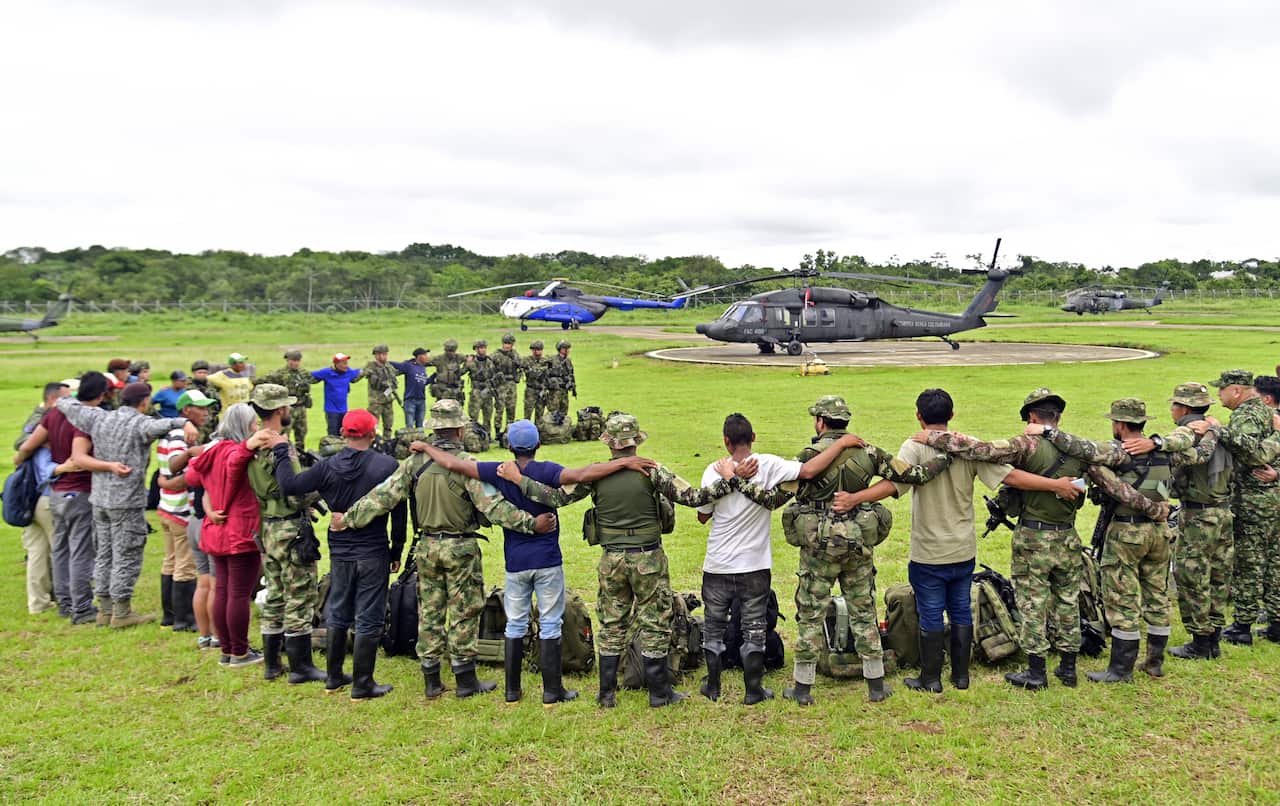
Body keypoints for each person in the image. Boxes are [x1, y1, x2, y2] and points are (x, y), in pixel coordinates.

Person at [916, 389, 1176, 689]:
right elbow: (1113, 485)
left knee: (1031, 604)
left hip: (1033, 538)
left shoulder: (1025, 444)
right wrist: (1156, 508)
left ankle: (1036, 672)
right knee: (1067, 601)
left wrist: (933, 438)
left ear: (1032, 416)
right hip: (1067, 536)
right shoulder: (1079, 450)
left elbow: (982, 450)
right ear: (1058, 417)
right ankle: (1068, 668)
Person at [505, 412, 743, 708]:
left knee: (611, 623)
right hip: (648, 557)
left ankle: (607, 693)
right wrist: (732, 482)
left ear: (609, 444)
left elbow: (553, 497)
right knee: (655, 623)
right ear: (636, 442)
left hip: (611, 560)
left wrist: (519, 479)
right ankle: (659, 692)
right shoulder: (651, 471)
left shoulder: (597, 474)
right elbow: (694, 497)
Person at [735, 396, 951, 705]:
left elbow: (772, 500)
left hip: (817, 547)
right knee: (864, 611)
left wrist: (738, 482)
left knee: (810, 613)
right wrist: (946, 456)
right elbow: (914, 475)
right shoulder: (869, 453)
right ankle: (876, 685)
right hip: (858, 541)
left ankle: (803, 688)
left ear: (821, 423)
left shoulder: (809, 458)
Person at [418, 418, 652, 705]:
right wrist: (623, 463)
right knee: (551, 622)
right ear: (538, 445)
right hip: (547, 560)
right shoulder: (547, 470)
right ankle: (552, 691)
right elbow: (585, 474)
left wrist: (428, 449)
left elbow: (455, 464)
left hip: (515, 562)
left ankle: (511, 691)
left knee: (514, 624)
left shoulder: (498, 470)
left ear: (508, 446)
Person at [334, 400, 554, 701]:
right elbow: (495, 508)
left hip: (426, 546)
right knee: (465, 610)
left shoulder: (416, 462)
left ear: (434, 429)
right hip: (460, 546)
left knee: (430, 611)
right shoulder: (466, 464)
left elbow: (382, 496)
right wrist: (533, 523)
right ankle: (465, 680)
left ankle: (432, 680)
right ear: (460, 430)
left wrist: (346, 519)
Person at [693, 412, 881, 705]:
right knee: (754, 629)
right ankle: (754, 690)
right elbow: (808, 471)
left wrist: (727, 483)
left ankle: (713, 686)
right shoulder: (768, 465)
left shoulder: (712, 471)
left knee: (714, 627)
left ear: (726, 441)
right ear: (753, 438)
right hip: (754, 565)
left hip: (717, 563)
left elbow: (702, 515)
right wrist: (841, 444)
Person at [1023, 398, 1177, 683]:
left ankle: (1120, 669)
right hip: (1161, 532)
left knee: (1122, 600)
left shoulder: (1120, 451)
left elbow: (1084, 449)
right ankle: (1155, 662)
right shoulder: (1162, 451)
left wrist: (1046, 432)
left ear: (1119, 424)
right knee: (1157, 597)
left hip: (1128, 531)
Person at [274, 409, 406, 700]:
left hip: (340, 549)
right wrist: (397, 548)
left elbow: (289, 486)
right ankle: (362, 682)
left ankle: (333, 677)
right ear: (373, 434)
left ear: (344, 434)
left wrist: (282, 452)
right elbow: (398, 509)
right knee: (369, 615)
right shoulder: (386, 465)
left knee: (338, 610)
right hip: (373, 548)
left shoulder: (327, 466)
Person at [57, 381, 187, 628]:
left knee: (104, 554)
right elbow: (165, 424)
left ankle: (105, 610)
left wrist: (68, 395)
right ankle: (122, 611)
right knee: (126, 554)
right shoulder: (140, 423)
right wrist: (183, 423)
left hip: (100, 499)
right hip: (127, 501)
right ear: (144, 402)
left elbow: (68, 405)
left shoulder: (99, 418)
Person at [246, 384, 326, 684]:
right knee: (300, 596)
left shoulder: (252, 445)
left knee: (275, 594)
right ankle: (301, 666)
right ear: (280, 410)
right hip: (290, 527)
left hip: (267, 526)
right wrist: (319, 489)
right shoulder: (282, 447)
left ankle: (271, 664)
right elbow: (293, 493)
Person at [1194, 370, 1280, 646]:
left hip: (1253, 499)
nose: (1218, 394)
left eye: (1222, 389)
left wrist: (1217, 429)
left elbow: (1253, 453)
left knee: (1249, 561)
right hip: (1270, 496)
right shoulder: (1266, 411)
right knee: (1274, 560)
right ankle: (1276, 621)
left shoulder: (1246, 414)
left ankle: (1242, 624)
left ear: (1237, 391)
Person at [16, 375, 110, 624]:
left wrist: (20, 459)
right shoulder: (88, 418)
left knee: (60, 550)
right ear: (102, 395)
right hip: (80, 489)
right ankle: (82, 608)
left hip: (56, 492)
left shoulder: (55, 413)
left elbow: (28, 445)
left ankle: (65, 604)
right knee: (80, 551)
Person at [183, 404, 271, 667]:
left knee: (222, 590)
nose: (256, 428)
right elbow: (234, 465)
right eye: (253, 424)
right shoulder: (236, 452)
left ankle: (227, 649)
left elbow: (191, 475)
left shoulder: (212, 450)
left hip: (215, 530)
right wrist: (249, 446)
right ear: (244, 427)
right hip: (239, 530)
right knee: (239, 594)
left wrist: (210, 504)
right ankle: (240, 652)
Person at [155, 389, 216, 632]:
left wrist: (163, 482)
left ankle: (169, 616)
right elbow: (182, 475)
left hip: (166, 507)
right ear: (186, 410)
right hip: (180, 510)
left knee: (170, 562)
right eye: (200, 408)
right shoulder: (181, 438)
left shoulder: (168, 434)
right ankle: (184, 619)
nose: (205, 412)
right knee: (185, 565)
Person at [11, 382, 64, 614]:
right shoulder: (46, 423)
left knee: (36, 552)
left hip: (28, 497)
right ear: (53, 400)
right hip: (45, 496)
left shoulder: (39, 423)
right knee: (60, 551)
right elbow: (24, 447)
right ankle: (66, 599)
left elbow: (21, 448)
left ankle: (38, 603)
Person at [254, 350, 315, 448]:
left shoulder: (304, 373)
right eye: (293, 360)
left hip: (301, 408)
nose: (295, 363)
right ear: (288, 361)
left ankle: (300, 455)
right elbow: (260, 380)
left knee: (302, 433)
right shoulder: (280, 374)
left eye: (297, 360)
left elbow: (316, 379)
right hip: (287, 408)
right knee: (285, 432)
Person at [311, 353, 363, 438]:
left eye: (347, 363)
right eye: (344, 363)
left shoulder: (348, 372)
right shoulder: (327, 372)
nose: (346, 366)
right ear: (337, 364)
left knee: (344, 433)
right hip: (331, 410)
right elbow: (311, 375)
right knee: (332, 435)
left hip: (344, 410)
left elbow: (360, 372)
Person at [359, 344, 401, 440]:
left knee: (388, 424)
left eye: (385, 354)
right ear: (376, 355)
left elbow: (394, 379)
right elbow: (360, 375)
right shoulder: (371, 366)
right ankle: (374, 443)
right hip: (376, 401)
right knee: (373, 425)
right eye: (381, 354)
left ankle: (387, 443)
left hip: (388, 400)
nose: (384, 356)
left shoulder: (389, 366)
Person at [391, 348, 433, 429]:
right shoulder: (408, 365)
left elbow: (423, 382)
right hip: (410, 400)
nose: (427, 357)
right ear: (419, 356)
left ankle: (419, 440)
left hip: (421, 400)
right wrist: (384, 363)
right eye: (425, 355)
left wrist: (433, 377)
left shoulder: (423, 368)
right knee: (410, 426)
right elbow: (396, 365)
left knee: (420, 425)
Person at [490, 334, 522, 440]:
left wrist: (513, 358)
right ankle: (497, 431)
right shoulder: (496, 354)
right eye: (506, 343)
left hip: (511, 384)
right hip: (500, 385)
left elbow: (520, 364)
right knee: (499, 408)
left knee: (511, 408)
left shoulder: (514, 354)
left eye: (509, 344)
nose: (507, 346)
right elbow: (490, 368)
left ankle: (510, 430)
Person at [466, 340, 497, 438]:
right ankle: (472, 436)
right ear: (475, 349)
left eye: (484, 347)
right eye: (479, 348)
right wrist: (467, 363)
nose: (482, 350)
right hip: (476, 392)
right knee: (473, 416)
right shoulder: (472, 361)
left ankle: (487, 436)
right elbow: (461, 372)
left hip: (488, 392)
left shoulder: (490, 361)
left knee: (488, 416)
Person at [189, 360, 222, 442]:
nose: (202, 375)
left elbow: (218, 403)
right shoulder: (188, 388)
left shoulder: (212, 386)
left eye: (205, 372)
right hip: (197, 424)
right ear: (194, 373)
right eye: (199, 372)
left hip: (212, 423)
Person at [429, 339, 467, 407]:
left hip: (456, 389)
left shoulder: (459, 357)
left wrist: (462, 370)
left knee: (457, 410)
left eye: (452, 351)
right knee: (442, 409)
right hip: (442, 389)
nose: (451, 353)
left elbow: (469, 360)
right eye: (448, 351)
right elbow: (424, 362)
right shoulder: (439, 358)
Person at [543, 340, 576, 418]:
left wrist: (573, 386)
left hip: (564, 390)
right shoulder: (552, 360)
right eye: (566, 348)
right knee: (553, 413)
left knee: (564, 412)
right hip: (554, 391)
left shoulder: (568, 361)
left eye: (568, 348)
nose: (568, 350)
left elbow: (571, 374)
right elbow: (544, 373)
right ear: (560, 349)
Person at [522, 341, 551, 423]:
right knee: (527, 414)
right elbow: (529, 372)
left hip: (541, 391)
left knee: (540, 415)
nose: (536, 352)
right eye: (534, 350)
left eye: (538, 349)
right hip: (530, 390)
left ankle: (538, 433)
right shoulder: (527, 360)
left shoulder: (547, 361)